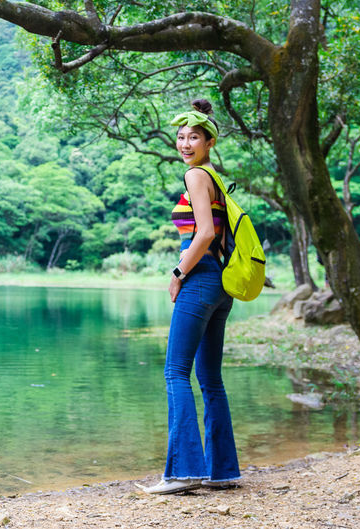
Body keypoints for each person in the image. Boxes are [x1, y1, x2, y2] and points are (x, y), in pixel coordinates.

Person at [138, 98, 241, 495]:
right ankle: (222, 471)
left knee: (175, 372)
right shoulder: (213, 176)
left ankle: (182, 472)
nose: (185, 143)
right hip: (220, 285)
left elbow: (205, 234)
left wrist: (178, 273)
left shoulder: (197, 176)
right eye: (180, 137)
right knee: (210, 378)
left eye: (193, 137)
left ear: (209, 141)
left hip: (199, 280)